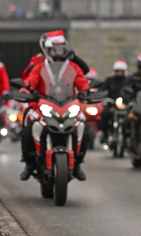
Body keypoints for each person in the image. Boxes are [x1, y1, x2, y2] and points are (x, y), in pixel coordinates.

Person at [19, 30, 90, 181]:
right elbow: (31, 80)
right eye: (55, 50)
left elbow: (81, 80)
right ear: (48, 50)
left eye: (61, 49)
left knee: (84, 126)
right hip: (43, 104)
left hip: (68, 104)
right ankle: (29, 163)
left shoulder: (72, 66)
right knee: (27, 130)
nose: (58, 53)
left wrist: (87, 91)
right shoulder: (39, 65)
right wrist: (25, 90)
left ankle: (77, 163)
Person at [99, 59, 128, 143]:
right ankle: (104, 134)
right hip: (111, 103)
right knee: (104, 114)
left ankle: (128, 137)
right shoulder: (109, 80)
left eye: (121, 71)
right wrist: (102, 94)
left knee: (130, 118)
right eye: (117, 71)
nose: (119, 73)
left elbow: (131, 90)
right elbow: (103, 89)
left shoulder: (127, 81)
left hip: (124, 104)